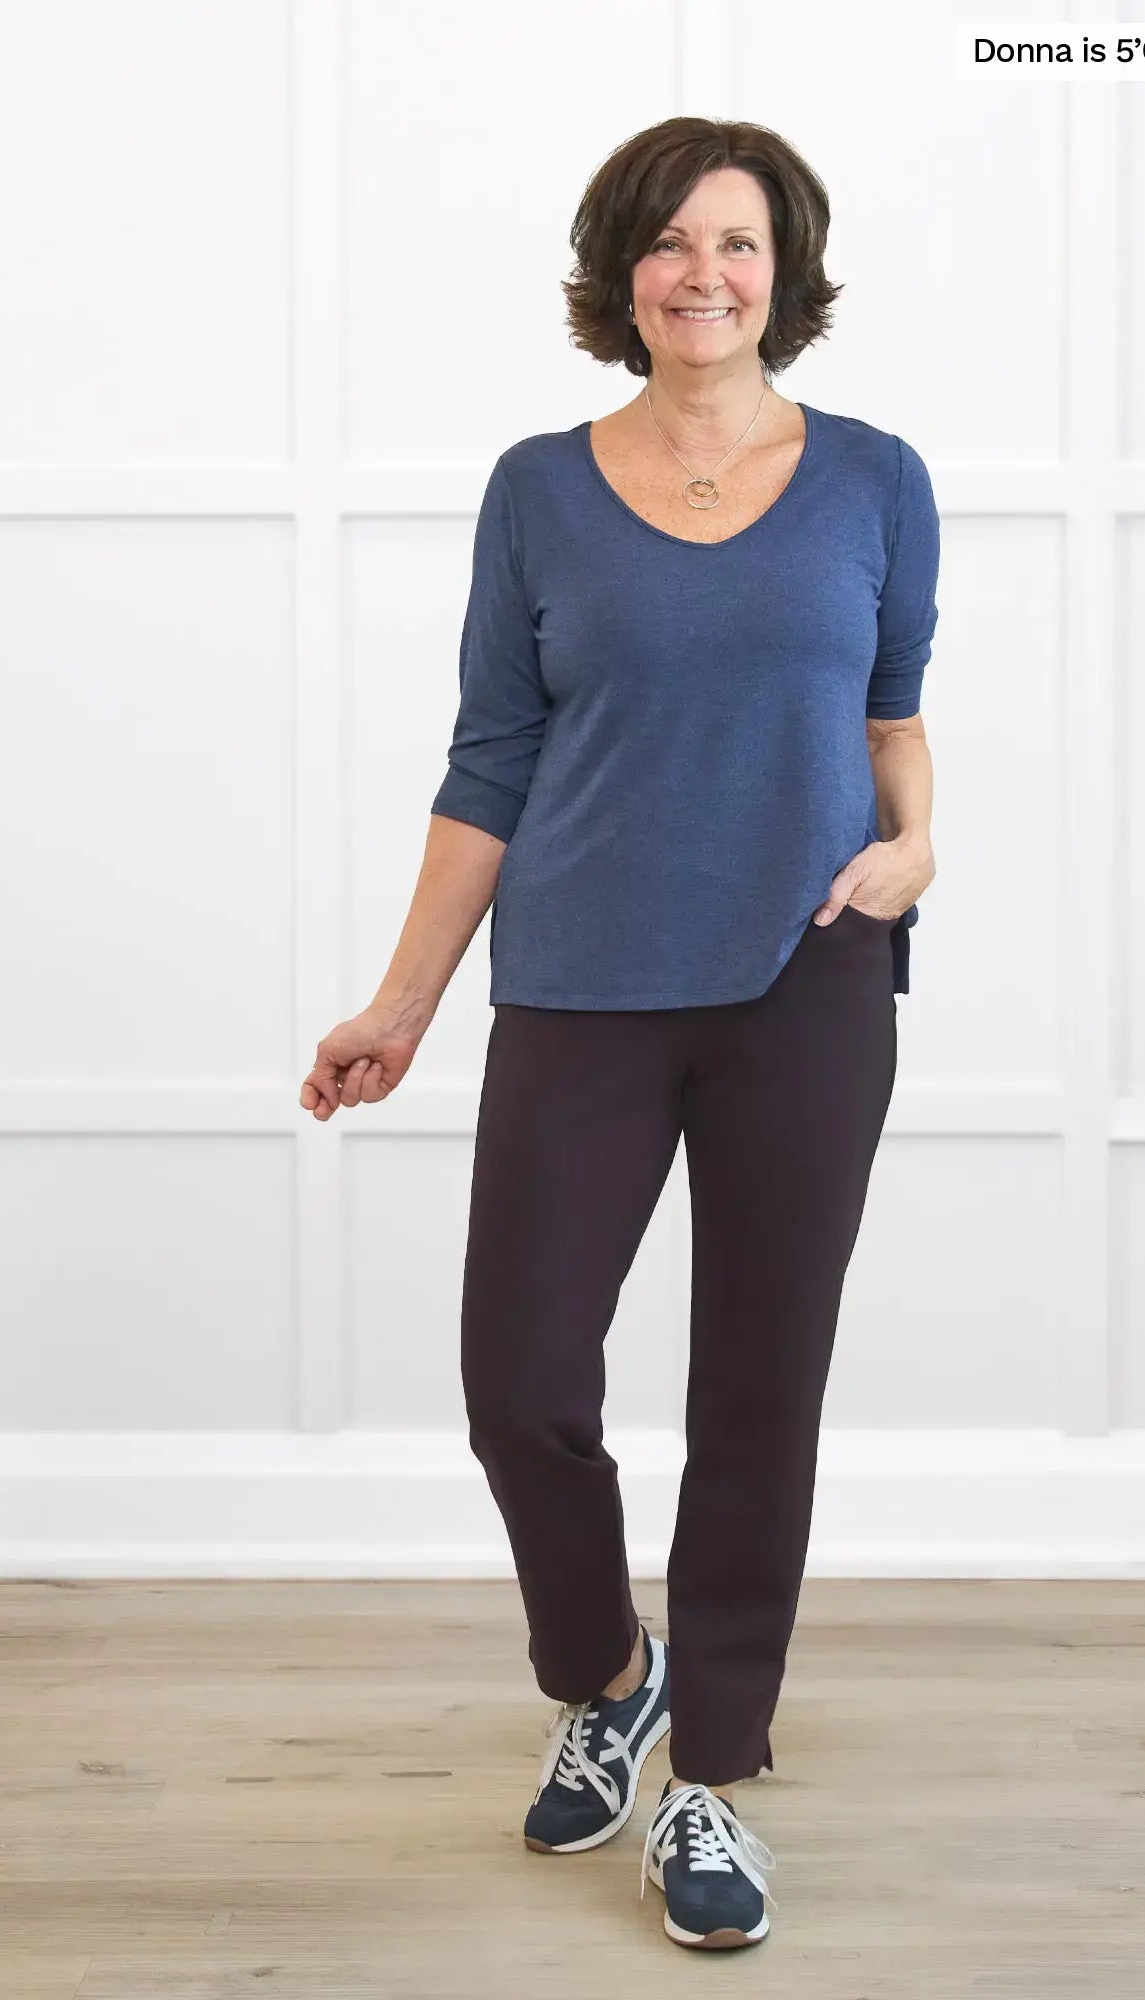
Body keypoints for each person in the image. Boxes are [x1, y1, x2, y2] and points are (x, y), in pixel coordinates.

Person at [299, 116, 940, 1952]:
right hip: (579, 975)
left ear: (784, 270)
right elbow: (492, 759)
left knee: (760, 1393)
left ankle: (712, 1782)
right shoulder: (540, 486)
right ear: (621, 271)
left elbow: (892, 708)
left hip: (807, 980)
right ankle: (610, 1670)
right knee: (521, 1384)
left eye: (738, 244)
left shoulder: (880, 477)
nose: (704, 275)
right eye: (668, 244)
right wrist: (402, 1003)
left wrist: (916, 845)